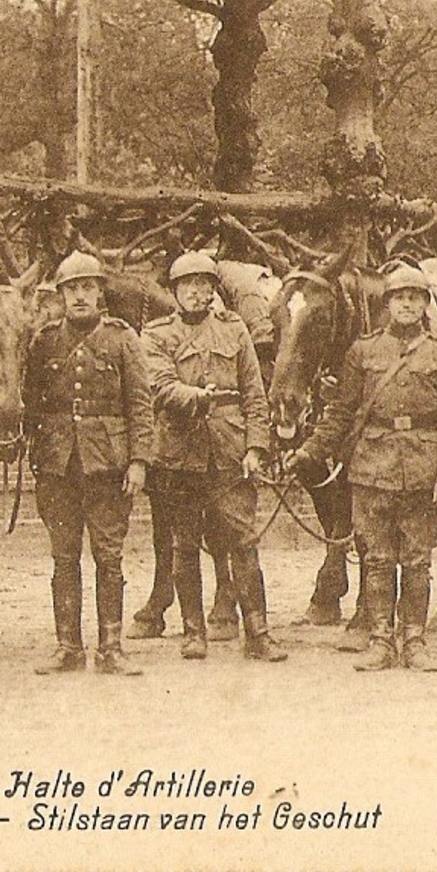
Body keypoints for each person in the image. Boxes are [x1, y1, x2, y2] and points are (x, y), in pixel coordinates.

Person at [295, 265, 437, 672]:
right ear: (387, 304)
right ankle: (379, 639)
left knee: (416, 560)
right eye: (399, 298)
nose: (407, 305)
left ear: (425, 305)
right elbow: (342, 412)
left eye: (415, 298)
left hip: (423, 470)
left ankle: (414, 640)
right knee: (376, 558)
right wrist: (310, 450)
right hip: (372, 467)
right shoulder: (363, 351)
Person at [140, 251, 284, 663]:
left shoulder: (234, 329)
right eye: (188, 285)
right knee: (184, 544)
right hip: (179, 455)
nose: (197, 292)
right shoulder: (156, 335)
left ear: (214, 290)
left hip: (229, 452)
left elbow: (255, 395)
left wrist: (256, 447)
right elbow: (160, 384)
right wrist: (197, 398)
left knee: (243, 541)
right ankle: (193, 632)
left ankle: (258, 631)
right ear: (175, 292)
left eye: (204, 285)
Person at [25, 252, 155, 675]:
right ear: (60, 294)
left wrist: (138, 461)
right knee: (64, 557)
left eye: (86, 287)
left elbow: (140, 404)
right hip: (58, 466)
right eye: (71, 288)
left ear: (100, 292)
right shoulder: (44, 342)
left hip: (108, 467)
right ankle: (68, 647)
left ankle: (111, 647)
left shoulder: (122, 339)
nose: (79, 296)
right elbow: (32, 403)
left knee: (108, 556)